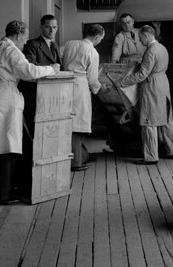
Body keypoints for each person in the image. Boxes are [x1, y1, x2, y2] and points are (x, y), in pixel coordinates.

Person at [0, 20, 59, 205]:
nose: (25, 42)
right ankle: (2, 194)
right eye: (24, 38)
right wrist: (52, 69)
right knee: (7, 146)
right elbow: (28, 70)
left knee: (0, 146)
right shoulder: (9, 49)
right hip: (5, 99)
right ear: (17, 35)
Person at [118, 25, 173, 165]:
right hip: (163, 83)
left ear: (146, 35)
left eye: (140, 38)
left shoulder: (151, 51)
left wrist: (123, 81)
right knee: (166, 118)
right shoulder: (162, 48)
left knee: (149, 121)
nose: (140, 41)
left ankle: (151, 157)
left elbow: (142, 75)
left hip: (152, 85)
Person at [16, 14, 62, 198]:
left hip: (52, 97)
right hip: (35, 96)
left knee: (49, 135)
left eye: (55, 27)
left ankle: (48, 176)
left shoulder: (54, 45)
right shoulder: (33, 44)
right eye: (49, 27)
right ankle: (32, 180)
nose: (52, 31)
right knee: (34, 136)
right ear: (41, 27)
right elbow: (30, 68)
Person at [61, 24, 106, 171]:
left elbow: (61, 59)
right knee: (78, 125)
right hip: (80, 87)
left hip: (65, 83)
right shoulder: (92, 52)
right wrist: (100, 88)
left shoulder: (69, 44)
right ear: (98, 37)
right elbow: (92, 79)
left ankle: (82, 154)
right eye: (100, 39)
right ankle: (76, 162)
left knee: (68, 122)